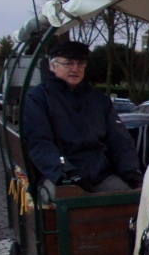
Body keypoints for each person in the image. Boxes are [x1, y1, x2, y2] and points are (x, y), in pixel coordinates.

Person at [23, 40, 142, 201]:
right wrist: (66, 173)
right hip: (59, 177)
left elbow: (119, 139)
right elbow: (40, 143)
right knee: (69, 203)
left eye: (80, 63)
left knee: (131, 200)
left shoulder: (99, 100)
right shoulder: (38, 98)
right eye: (68, 63)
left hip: (100, 175)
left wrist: (130, 171)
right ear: (53, 66)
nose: (75, 68)